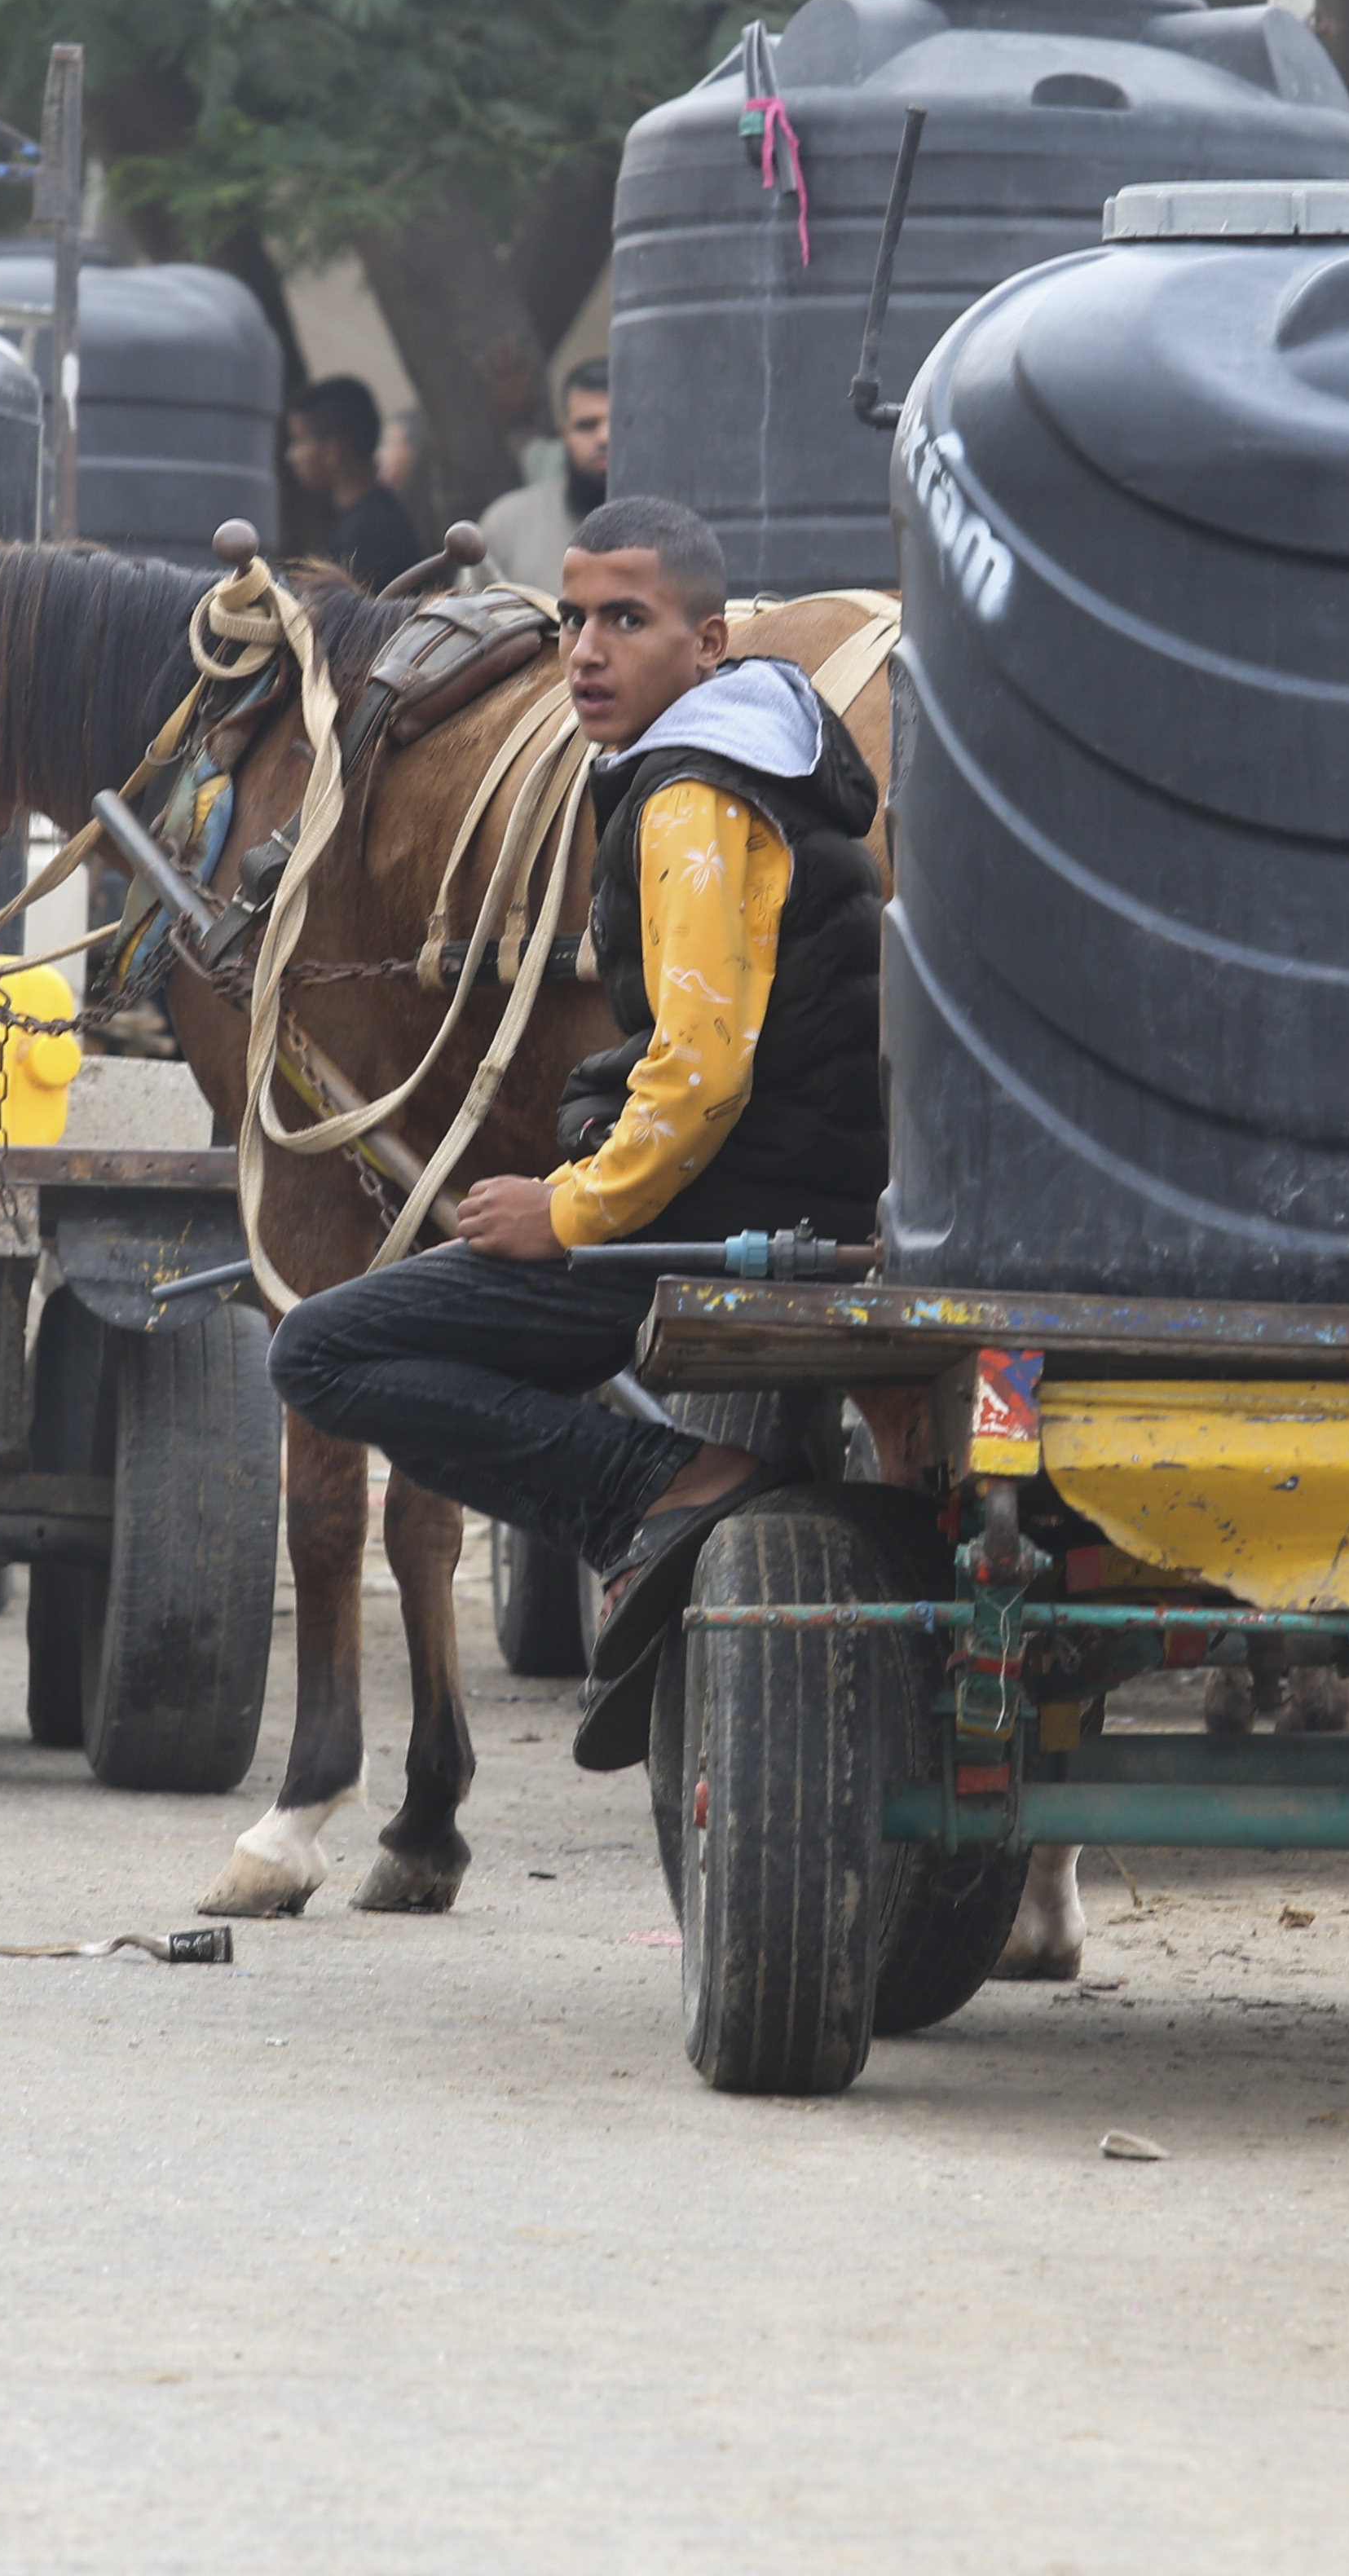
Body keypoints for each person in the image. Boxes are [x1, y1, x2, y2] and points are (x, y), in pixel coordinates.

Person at [265, 495, 888, 1764]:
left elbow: (703, 1072)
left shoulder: (692, 800)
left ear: (709, 646)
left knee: (324, 1352)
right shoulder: (765, 760)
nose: (587, 652)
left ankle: (660, 1495)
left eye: (628, 621)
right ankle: (664, 1498)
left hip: (720, 1224)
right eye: (571, 621)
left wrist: (570, 1210)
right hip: (783, 1198)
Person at [476, 357, 612, 594]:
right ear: (564, 434)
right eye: (587, 425)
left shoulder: (685, 520)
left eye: (622, 422)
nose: (604, 438)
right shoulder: (506, 526)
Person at [285, 376, 420, 587]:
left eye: (300, 442)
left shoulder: (368, 535)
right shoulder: (370, 518)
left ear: (333, 452)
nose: (292, 455)